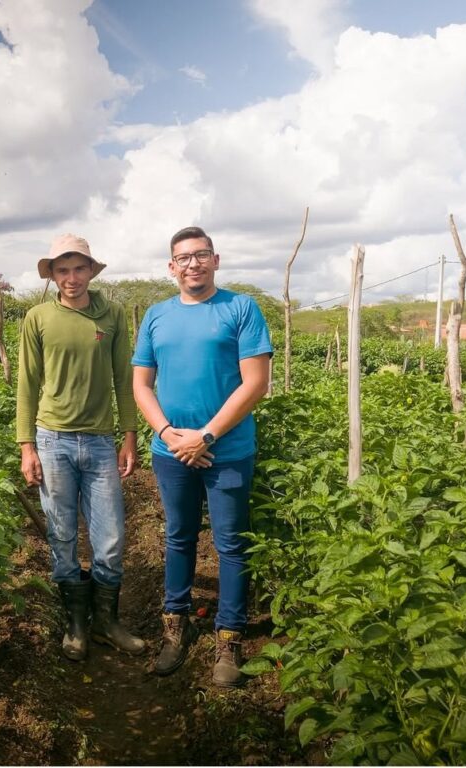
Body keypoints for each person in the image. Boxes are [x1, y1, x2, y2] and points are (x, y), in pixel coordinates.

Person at [132, 226, 273, 687]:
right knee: (179, 536)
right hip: (170, 451)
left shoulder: (240, 308)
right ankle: (175, 626)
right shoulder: (156, 316)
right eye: (183, 257)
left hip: (227, 450)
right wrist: (171, 434)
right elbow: (141, 385)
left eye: (201, 255)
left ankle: (228, 636)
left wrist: (206, 437)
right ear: (171, 267)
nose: (192, 263)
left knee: (230, 542)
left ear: (216, 260)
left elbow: (256, 383)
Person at [17, 233, 145, 661]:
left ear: (91, 271)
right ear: (52, 276)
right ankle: (75, 624)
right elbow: (27, 385)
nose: (71, 277)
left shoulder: (112, 315)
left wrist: (129, 435)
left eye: (79, 268)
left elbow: (124, 379)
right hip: (52, 441)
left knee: (109, 537)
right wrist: (26, 446)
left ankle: (106, 622)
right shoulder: (37, 317)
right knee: (62, 534)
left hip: (100, 442)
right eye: (62, 270)